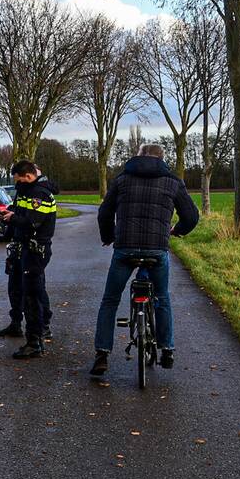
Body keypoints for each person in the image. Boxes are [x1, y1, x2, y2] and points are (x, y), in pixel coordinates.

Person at [91, 144, 199, 376]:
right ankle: (167, 349)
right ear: (162, 158)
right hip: (157, 250)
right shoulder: (173, 181)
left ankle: (102, 354)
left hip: (125, 249)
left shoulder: (122, 179)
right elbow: (191, 216)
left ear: (138, 157)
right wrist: (177, 230)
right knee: (162, 297)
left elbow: (105, 213)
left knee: (110, 300)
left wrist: (109, 236)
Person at [0, 160, 57, 359]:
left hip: (35, 251)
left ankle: (35, 341)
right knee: (21, 290)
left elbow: (33, 223)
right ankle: (30, 334)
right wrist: (11, 214)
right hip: (25, 248)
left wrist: (12, 218)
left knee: (33, 296)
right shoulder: (28, 191)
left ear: (29, 176)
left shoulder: (39, 194)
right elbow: (22, 213)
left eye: (19, 180)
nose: (18, 184)